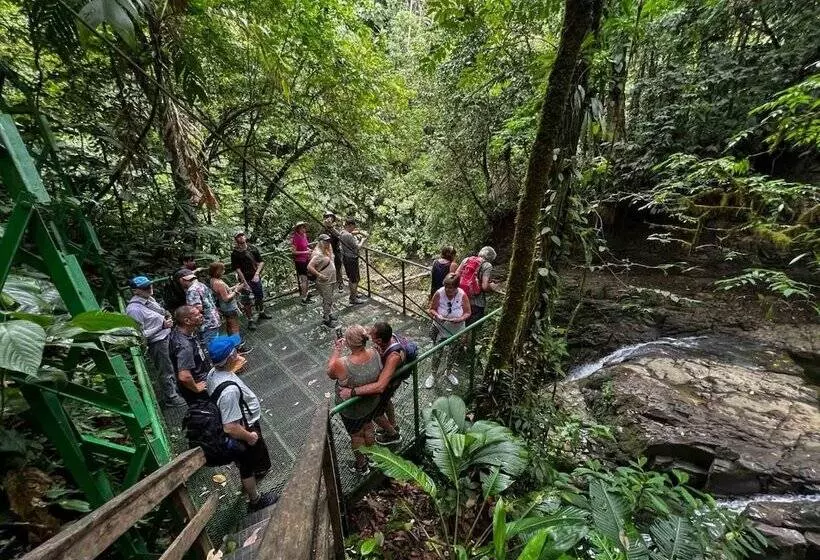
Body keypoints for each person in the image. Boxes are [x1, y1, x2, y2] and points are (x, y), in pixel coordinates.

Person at [206, 334, 278, 512]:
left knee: (249, 459)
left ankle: (256, 472)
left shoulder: (213, 373)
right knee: (247, 464)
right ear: (230, 357)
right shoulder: (229, 391)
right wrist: (249, 436)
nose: (238, 354)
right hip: (244, 427)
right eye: (235, 352)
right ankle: (255, 500)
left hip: (242, 419)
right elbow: (230, 427)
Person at [327, 325, 381, 475]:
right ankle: (373, 457)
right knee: (369, 427)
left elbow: (330, 372)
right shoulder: (375, 352)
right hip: (370, 403)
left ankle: (361, 465)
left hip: (352, 409)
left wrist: (337, 350)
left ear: (348, 343)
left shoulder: (342, 363)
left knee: (356, 435)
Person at [125, 276, 186, 407]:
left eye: (149, 285)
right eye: (144, 287)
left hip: (166, 336)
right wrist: (161, 326)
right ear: (135, 291)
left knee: (173, 365)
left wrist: (166, 317)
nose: (149, 288)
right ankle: (171, 397)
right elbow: (138, 335)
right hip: (156, 342)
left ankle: (177, 390)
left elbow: (159, 313)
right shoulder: (134, 310)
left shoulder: (149, 299)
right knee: (165, 369)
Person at [338, 321, 403, 446]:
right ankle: (393, 425)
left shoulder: (393, 356)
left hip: (388, 384)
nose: (369, 336)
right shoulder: (381, 343)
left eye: (372, 335)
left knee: (376, 412)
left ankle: (393, 434)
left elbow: (380, 386)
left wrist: (352, 392)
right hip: (386, 382)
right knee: (382, 406)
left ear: (379, 340)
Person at [426, 273, 471, 389]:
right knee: (437, 352)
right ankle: (433, 374)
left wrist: (460, 319)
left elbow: (468, 312)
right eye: (446, 286)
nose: (448, 289)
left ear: (456, 287)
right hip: (440, 328)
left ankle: (449, 372)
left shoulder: (462, 295)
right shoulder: (439, 293)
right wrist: (437, 315)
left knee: (453, 352)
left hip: (456, 330)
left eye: (451, 287)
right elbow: (431, 309)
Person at [168, 305, 212, 404]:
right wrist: (196, 388)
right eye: (197, 315)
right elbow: (184, 376)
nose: (201, 315)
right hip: (199, 388)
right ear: (187, 321)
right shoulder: (185, 346)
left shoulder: (181, 332)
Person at [230, 231, 271, 329]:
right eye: (239, 236)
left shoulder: (252, 248)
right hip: (244, 279)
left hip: (255, 277)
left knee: (259, 296)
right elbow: (237, 269)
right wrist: (244, 282)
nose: (241, 237)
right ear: (236, 239)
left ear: (245, 237)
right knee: (246, 301)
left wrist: (257, 274)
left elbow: (261, 262)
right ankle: (250, 320)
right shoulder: (235, 253)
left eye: (242, 235)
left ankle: (261, 312)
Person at [209, 262, 252, 354]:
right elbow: (226, 298)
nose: (224, 271)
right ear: (217, 271)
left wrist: (234, 287)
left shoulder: (212, 280)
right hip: (229, 307)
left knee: (229, 326)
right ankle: (239, 348)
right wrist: (236, 291)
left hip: (224, 307)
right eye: (222, 270)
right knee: (235, 328)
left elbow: (224, 292)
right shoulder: (219, 283)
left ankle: (232, 344)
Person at [455, 246, 500, 326]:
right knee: (473, 327)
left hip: (461, 298)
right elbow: (484, 287)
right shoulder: (487, 265)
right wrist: (492, 286)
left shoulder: (467, 260)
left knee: (461, 325)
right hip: (476, 303)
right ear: (490, 258)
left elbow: (455, 276)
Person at [177, 268, 221, 345]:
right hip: (214, 319)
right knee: (216, 345)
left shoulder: (192, 290)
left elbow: (197, 309)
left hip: (206, 324)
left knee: (211, 348)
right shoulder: (201, 285)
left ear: (181, 280)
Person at [307, 234, 337, 328]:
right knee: (327, 300)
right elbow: (309, 267)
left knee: (329, 298)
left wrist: (328, 246)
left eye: (328, 241)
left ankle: (329, 313)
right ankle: (326, 319)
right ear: (320, 242)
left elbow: (331, 256)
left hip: (331, 279)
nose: (327, 243)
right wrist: (320, 275)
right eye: (325, 241)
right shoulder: (318, 253)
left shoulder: (326, 250)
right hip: (324, 281)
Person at [338, 217, 368, 305]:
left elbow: (350, 233)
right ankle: (353, 298)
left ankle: (354, 294)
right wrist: (363, 240)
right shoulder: (348, 235)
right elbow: (357, 247)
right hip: (351, 259)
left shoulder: (342, 232)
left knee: (353, 278)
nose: (354, 229)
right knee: (354, 279)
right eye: (353, 227)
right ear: (350, 225)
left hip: (346, 257)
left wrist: (359, 232)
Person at [322, 211, 344, 294]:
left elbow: (339, 236)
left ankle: (340, 284)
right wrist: (325, 227)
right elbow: (320, 237)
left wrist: (331, 227)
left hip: (336, 251)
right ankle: (330, 286)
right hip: (327, 252)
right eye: (327, 217)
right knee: (328, 269)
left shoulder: (336, 227)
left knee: (338, 268)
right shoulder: (323, 228)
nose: (329, 219)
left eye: (330, 217)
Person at [291, 221, 312, 304]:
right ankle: (304, 298)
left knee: (307, 279)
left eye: (304, 227)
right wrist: (305, 252)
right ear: (298, 229)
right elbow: (293, 252)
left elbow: (305, 246)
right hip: (300, 261)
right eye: (302, 227)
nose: (304, 229)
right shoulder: (295, 238)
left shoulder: (304, 235)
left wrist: (309, 250)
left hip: (306, 259)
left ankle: (306, 295)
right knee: (304, 279)